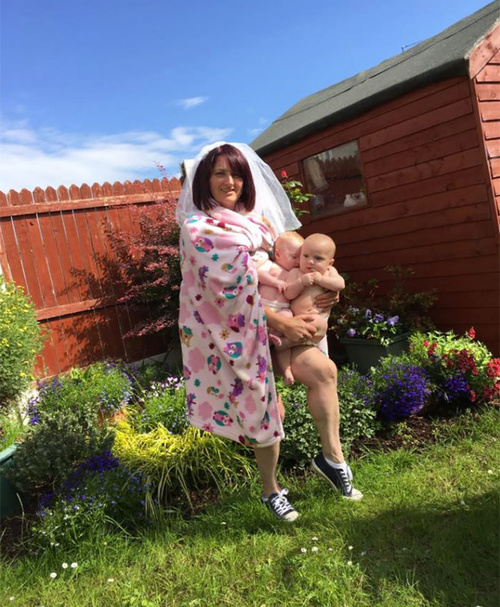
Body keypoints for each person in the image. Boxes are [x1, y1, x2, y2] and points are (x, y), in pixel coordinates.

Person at [176, 142, 362, 524]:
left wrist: (325, 292)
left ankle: (332, 460)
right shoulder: (199, 230)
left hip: (282, 324)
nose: (230, 181)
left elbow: (298, 264)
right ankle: (270, 491)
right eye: (220, 173)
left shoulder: (259, 223)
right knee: (267, 409)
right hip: (235, 335)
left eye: (237, 174)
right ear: (204, 180)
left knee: (325, 372)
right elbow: (226, 297)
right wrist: (281, 323)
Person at [255, 231, 304, 386]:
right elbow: (258, 274)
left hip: (282, 309)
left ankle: (286, 370)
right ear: (278, 254)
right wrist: (274, 282)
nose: (298, 261)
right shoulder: (271, 265)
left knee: (287, 319)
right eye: (294, 257)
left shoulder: (295, 273)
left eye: (300, 257)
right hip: (265, 307)